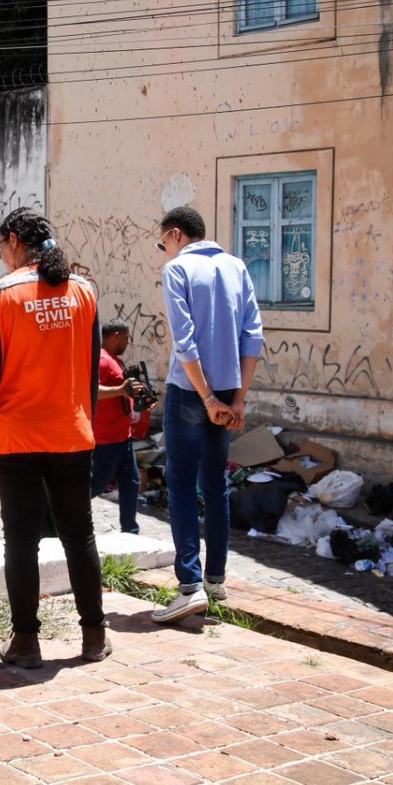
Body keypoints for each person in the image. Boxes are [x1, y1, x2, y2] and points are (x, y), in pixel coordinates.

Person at [0, 206, 112, 668]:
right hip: (70, 432)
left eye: (0, 247)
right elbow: (90, 369)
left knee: (21, 541)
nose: (0, 255)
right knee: (79, 534)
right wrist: (82, 420)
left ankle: (26, 643)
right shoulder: (84, 290)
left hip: (14, 437)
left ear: (12, 240)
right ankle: (93, 635)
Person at [153, 206, 263, 624]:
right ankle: (216, 580)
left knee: (181, 486)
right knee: (215, 485)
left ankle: (190, 586)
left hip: (189, 392)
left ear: (176, 234)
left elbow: (185, 340)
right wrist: (236, 399)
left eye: (162, 242)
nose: (163, 250)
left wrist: (207, 399)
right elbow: (253, 334)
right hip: (228, 389)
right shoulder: (237, 267)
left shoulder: (177, 270)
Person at [92, 319, 147, 535]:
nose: (127, 342)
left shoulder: (114, 360)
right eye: (125, 338)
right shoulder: (102, 360)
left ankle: (130, 530)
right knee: (96, 485)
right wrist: (122, 391)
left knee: (131, 482)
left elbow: (124, 390)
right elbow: (92, 391)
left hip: (123, 436)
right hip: (106, 439)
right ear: (115, 336)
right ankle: (59, 515)